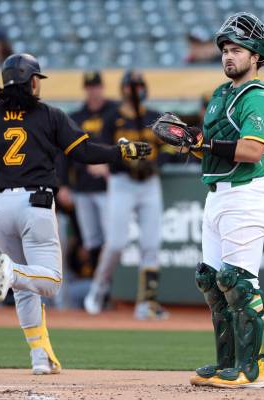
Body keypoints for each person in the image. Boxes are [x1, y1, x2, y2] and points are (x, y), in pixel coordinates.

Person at [0, 53, 151, 375]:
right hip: (34, 205)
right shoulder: (49, 115)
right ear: (33, 81)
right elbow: (83, 152)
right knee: (49, 282)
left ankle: (40, 357)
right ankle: (13, 275)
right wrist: (120, 151)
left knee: (26, 289)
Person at [184, 12, 264, 388]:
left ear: (255, 57)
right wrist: (191, 144)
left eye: (237, 49)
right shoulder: (221, 94)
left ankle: (250, 368)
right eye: (225, 49)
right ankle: (227, 362)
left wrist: (205, 143)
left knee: (238, 282)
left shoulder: (258, 98)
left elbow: (252, 151)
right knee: (211, 281)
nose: (228, 55)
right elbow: (213, 151)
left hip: (247, 193)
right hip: (219, 194)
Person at [83, 70, 168, 320]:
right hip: (122, 182)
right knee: (117, 243)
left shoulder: (154, 117)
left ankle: (147, 303)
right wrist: (123, 162)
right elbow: (102, 151)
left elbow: (169, 148)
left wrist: (155, 162)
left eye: (139, 85)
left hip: (149, 183)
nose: (135, 90)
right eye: (132, 85)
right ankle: (97, 290)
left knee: (151, 244)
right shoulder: (112, 117)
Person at [68, 71, 118, 286]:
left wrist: (113, 167)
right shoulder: (76, 117)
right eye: (90, 87)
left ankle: (113, 286)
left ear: (102, 87)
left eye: (96, 86)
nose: (93, 90)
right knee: (92, 241)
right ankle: (101, 288)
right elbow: (64, 153)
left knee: (113, 240)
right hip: (83, 187)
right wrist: (61, 184)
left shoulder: (114, 112)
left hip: (109, 187)